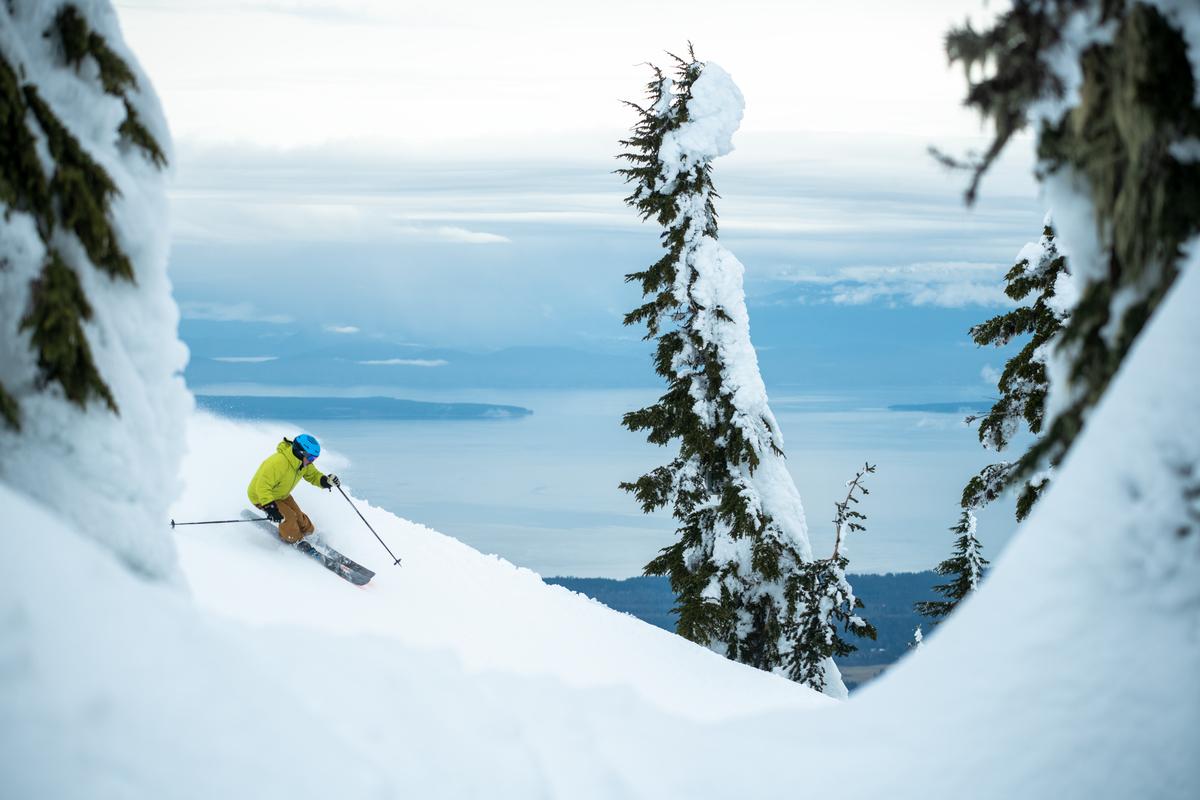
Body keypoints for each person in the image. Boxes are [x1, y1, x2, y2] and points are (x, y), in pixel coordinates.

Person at [247, 434, 340, 543]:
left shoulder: (303, 463)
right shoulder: (278, 462)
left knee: (299, 516)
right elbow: (262, 486)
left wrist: (326, 481)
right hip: (261, 496)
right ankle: (294, 540)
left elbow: (314, 475)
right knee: (289, 517)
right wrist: (270, 508)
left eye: (314, 458)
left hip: (281, 494)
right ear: (301, 452)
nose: (312, 461)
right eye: (311, 457)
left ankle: (309, 534)